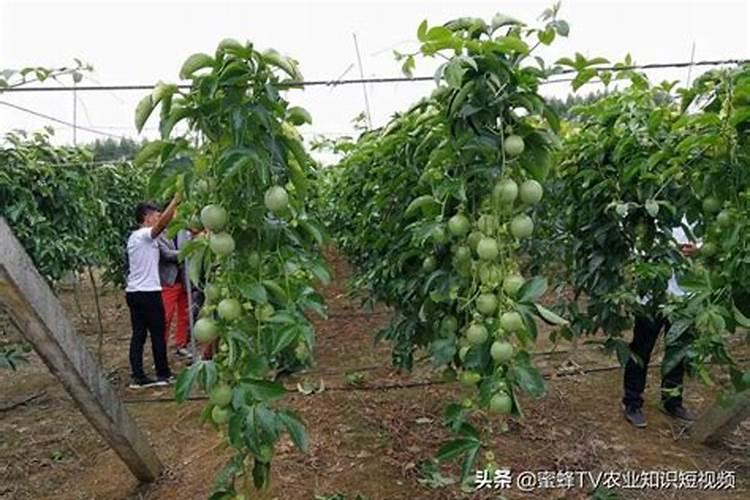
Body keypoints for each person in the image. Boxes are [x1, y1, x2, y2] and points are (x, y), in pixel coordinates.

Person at [622, 223, 698, 428]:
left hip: (684, 298)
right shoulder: (651, 211)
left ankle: (672, 401)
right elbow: (633, 243)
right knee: (640, 350)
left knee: (678, 353)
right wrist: (666, 250)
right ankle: (632, 402)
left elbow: (707, 241)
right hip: (651, 298)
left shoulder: (693, 213)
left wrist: (698, 248)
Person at [125, 196, 180, 389]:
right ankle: (163, 374)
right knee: (157, 333)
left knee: (139, 334)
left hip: (135, 292)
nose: (159, 219)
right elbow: (163, 224)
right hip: (148, 292)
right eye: (157, 216)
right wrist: (175, 201)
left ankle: (138, 377)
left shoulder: (135, 237)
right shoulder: (144, 235)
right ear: (147, 218)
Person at [158, 230, 191, 358]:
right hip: (169, 281)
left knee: (185, 315)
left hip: (184, 280)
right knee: (166, 316)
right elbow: (166, 254)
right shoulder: (159, 234)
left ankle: (181, 345)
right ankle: (161, 348)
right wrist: (188, 253)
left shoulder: (185, 232)